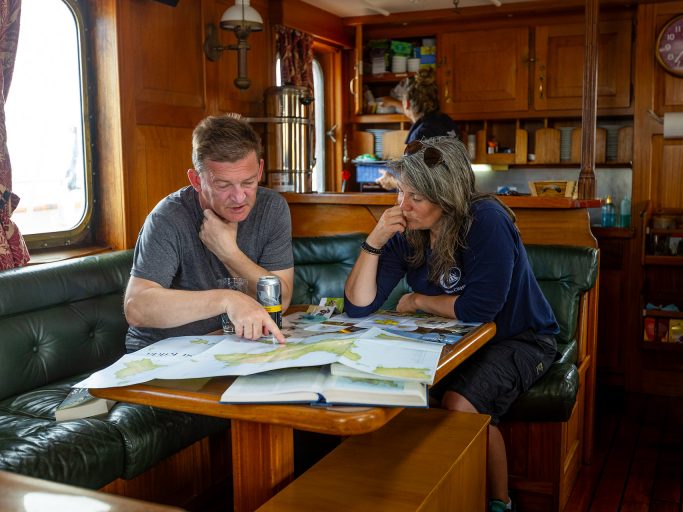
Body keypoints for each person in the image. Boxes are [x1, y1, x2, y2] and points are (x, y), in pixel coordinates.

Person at [343, 136, 559, 512]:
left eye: (416, 198)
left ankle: (499, 503)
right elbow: (358, 306)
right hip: (457, 340)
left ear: (446, 197)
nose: (403, 206)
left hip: (522, 339)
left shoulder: (486, 220)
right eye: (401, 193)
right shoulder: (406, 231)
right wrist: (375, 239)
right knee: (402, 394)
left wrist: (417, 300)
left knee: (460, 404)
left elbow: (481, 307)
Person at [123, 114, 293, 352]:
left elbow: (281, 300)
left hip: (231, 347)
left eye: (248, 182)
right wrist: (227, 300)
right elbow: (137, 307)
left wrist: (229, 253)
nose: (239, 197)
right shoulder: (168, 217)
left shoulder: (272, 208)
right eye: (223, 185)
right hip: (162, 354)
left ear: (260, 169)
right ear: (196, 180)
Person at [376, 69, 460, 190]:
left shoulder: (420, 134)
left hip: (437, 204)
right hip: (455, 196)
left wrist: (392, 181)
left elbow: (420, 185)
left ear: (407, 103)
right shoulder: (446, 121)